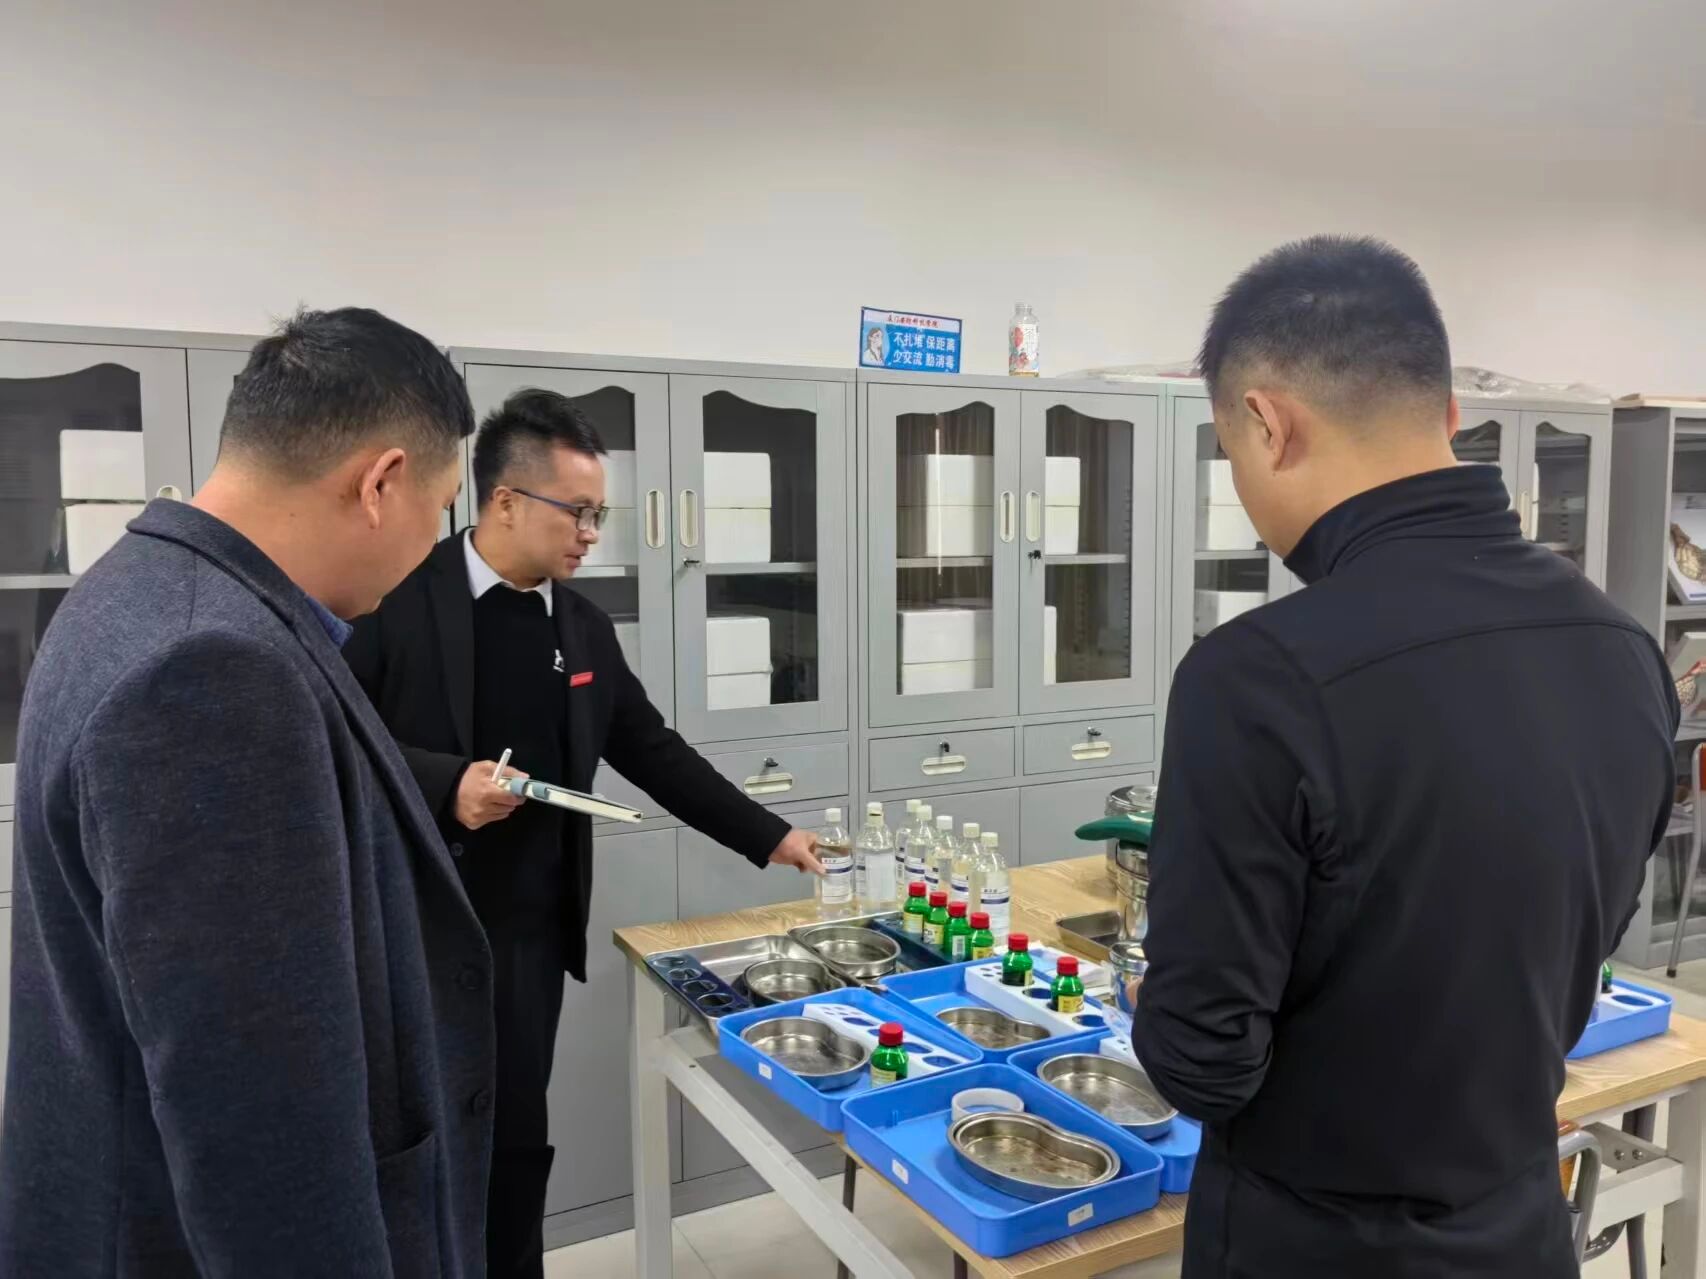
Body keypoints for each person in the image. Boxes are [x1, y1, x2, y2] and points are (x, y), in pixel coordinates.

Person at [1130, 236, 1678, 1278]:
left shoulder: (1257, 676)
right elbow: (1570, 938)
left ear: (1267, 423)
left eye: (1232, 456)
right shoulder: (1621, 649)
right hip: (1519, 1225)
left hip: (1313, 1243)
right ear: (1449, 415)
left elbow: (1203, 1063)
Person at [0, 309, 495, 1277]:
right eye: (441, 510)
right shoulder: (213, 668)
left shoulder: (135, 586)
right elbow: (258, 1116)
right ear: (381, 483)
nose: (433, 547)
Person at [344, 387, 824, 1278]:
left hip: (525, 934)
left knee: (517, 1140)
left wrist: (771, 835)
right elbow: (335, 740)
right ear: (504, 500)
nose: (591, 534)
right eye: (578, 511)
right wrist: (448, 785)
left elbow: (652, 749)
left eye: (600, 514)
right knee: (415, 1148)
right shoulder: (394, 599)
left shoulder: (583, 626)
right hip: (411, 927)